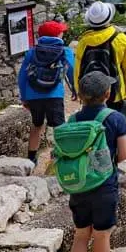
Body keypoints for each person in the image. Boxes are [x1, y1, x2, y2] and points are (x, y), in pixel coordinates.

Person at [60, 70, 126, 252]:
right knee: (101, 234)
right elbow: (122, 155)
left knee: (81, 235)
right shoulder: (114, 118)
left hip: (78, 186)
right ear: (107, 93)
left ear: (80, 96)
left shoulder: (71, 122)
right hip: (104, 186)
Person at [17, 20, 76, 165]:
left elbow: (22, 76)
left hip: (33, 95)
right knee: (59, 127)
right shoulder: (65, 51)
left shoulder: (32, 52)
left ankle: (31, 159)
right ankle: (59, 158)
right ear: (58, 35)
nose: (63, 33)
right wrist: (75, 89)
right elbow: (72, 71)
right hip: (54, 95)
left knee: (37, 125)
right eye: (61, 32)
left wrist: (24, 97)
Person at [73, 2, 126, 117]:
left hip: (90, 95)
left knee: (94, 130)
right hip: (114, 93)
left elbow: (78, 69)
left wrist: (80, 91)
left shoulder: (83, 41)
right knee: (117, 128)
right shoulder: (119, 38)